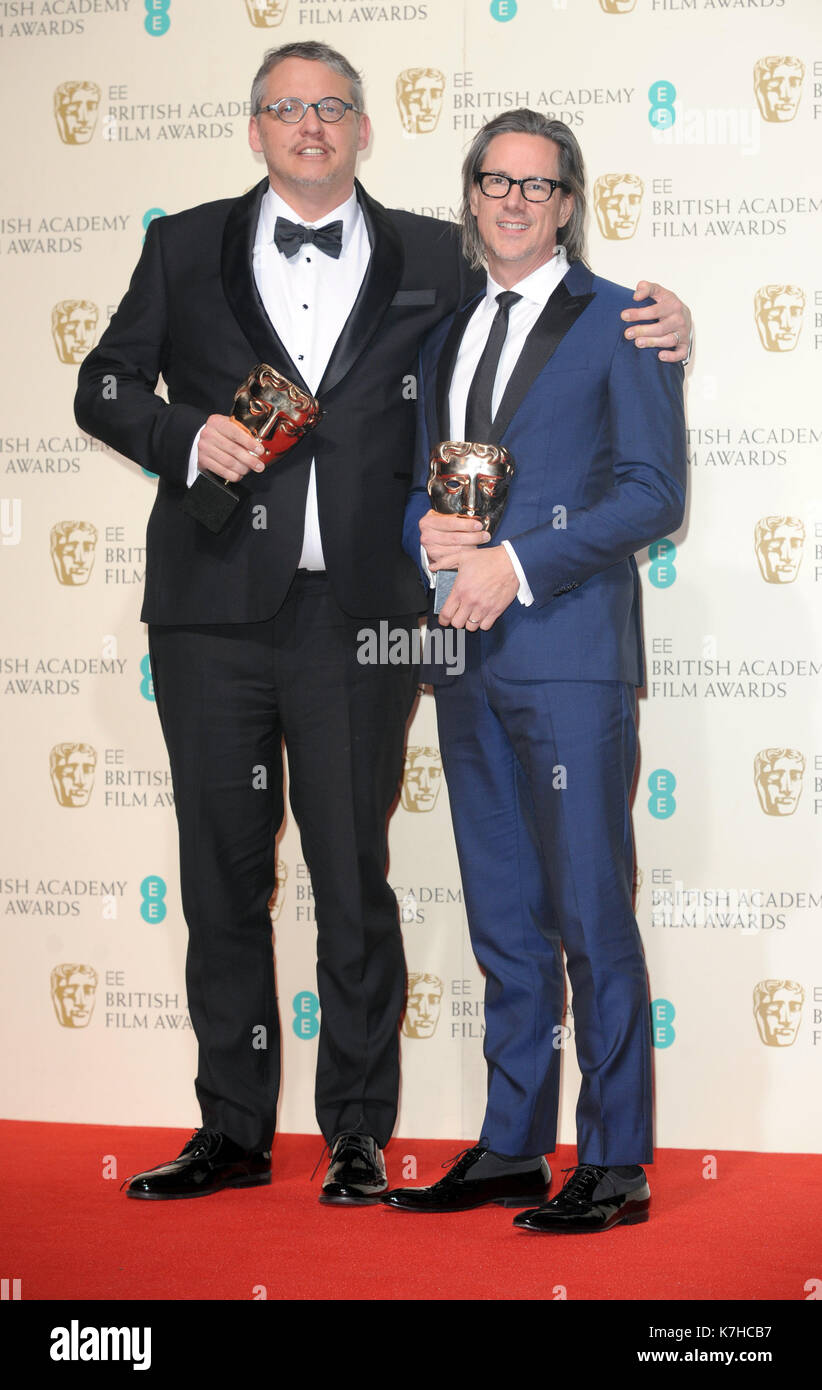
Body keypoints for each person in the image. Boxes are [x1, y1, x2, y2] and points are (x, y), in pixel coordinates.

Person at [75, 43, 690, 1207]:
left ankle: (362, 1130)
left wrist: (667, 314)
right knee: (222, 881)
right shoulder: (180, 243)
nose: (310, 124)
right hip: (211, 616)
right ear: (253, 126)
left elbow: (571, 330)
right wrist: (184, 434)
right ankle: (235, 1130)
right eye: (285, 107)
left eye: (332, 108)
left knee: (356, 878)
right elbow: (101, 383)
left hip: (369, 624)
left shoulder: (433, 258)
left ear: (364, 128)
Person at [385, 109, 687, 1232]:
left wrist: (515, 563)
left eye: (539, 185)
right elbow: (428, 481)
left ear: (567, 204)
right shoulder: (445, 333)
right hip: (465, 659)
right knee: (504, 914)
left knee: (590, 909)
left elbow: (655, 494)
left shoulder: (627, 322)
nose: (515, 200)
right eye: (496, 181)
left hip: (569, 660)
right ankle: (513, 1144)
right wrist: (427, 527)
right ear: (472, 196)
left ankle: (614, 1162)